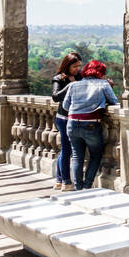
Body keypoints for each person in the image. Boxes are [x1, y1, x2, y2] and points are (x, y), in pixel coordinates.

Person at [61, 60, 118, 191]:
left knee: (77, 156)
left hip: (72, 124)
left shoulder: (74, 85)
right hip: (91, 124)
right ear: (101, 73)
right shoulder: (103, 84)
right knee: (96, 155)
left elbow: (65, 106)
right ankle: (87, 186)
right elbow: (114, 101)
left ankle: (78, 187)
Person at [51, 53, 82, 191]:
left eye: (79, 66)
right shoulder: (58, 79)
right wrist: (70, 86)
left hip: (75, 116)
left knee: (66, 150)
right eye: (75, 66)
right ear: (67, 65)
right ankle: (66, 181)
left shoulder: (80, 77)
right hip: (63, 118)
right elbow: (55, 97)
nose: (77, 69)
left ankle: (59, 180)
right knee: (66, 150)